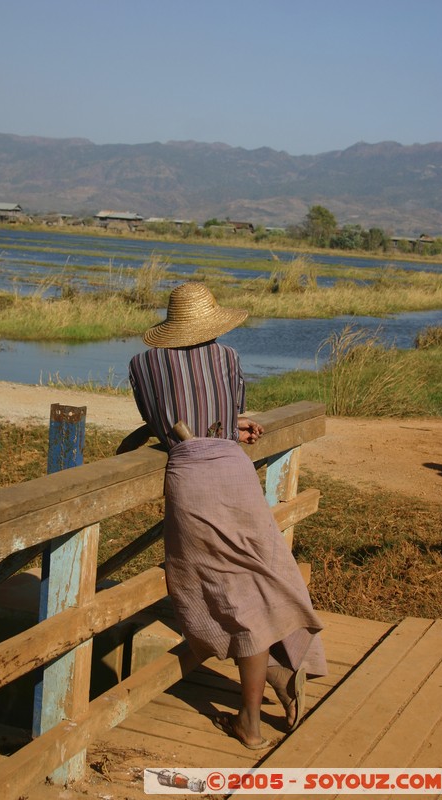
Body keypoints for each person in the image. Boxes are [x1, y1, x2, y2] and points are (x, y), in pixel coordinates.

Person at [118, 281, 327, 750]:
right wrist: (231, 423)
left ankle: (251, 719)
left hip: (191, 479)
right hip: (235, 474)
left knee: (223, 593)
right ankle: (275, 671)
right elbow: (224, 412)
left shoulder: (143, 364)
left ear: (171, 324)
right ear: (212, 322)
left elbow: (159, 421)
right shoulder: (228, 357)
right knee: (252, 581)